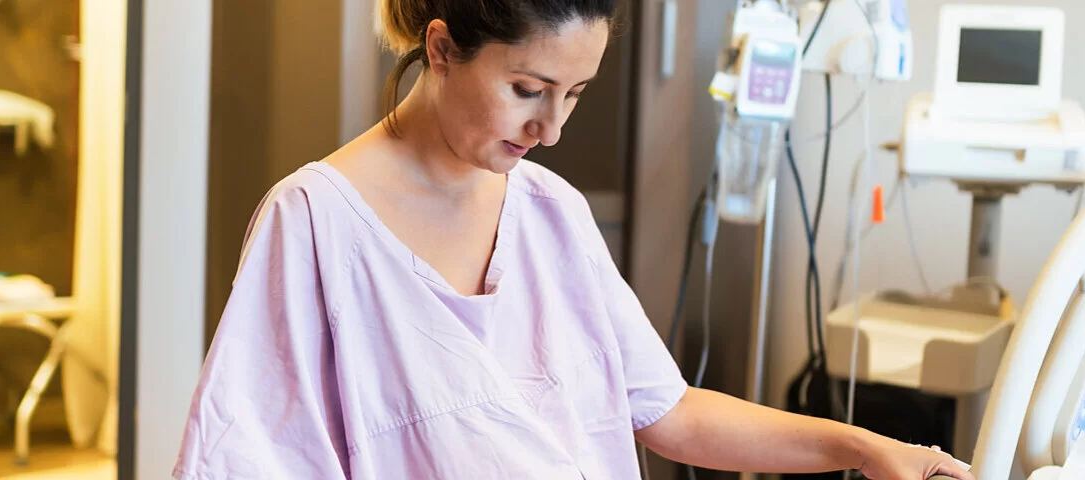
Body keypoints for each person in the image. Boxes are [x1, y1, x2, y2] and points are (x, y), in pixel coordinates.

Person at [173, 1, 974, 479]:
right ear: (443, 48)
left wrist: (865, 448)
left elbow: (669, 412)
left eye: (575, 94)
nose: (551, 127)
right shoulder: (315, 223)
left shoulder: (551, 212)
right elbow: (247, 459)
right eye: (528, 90)